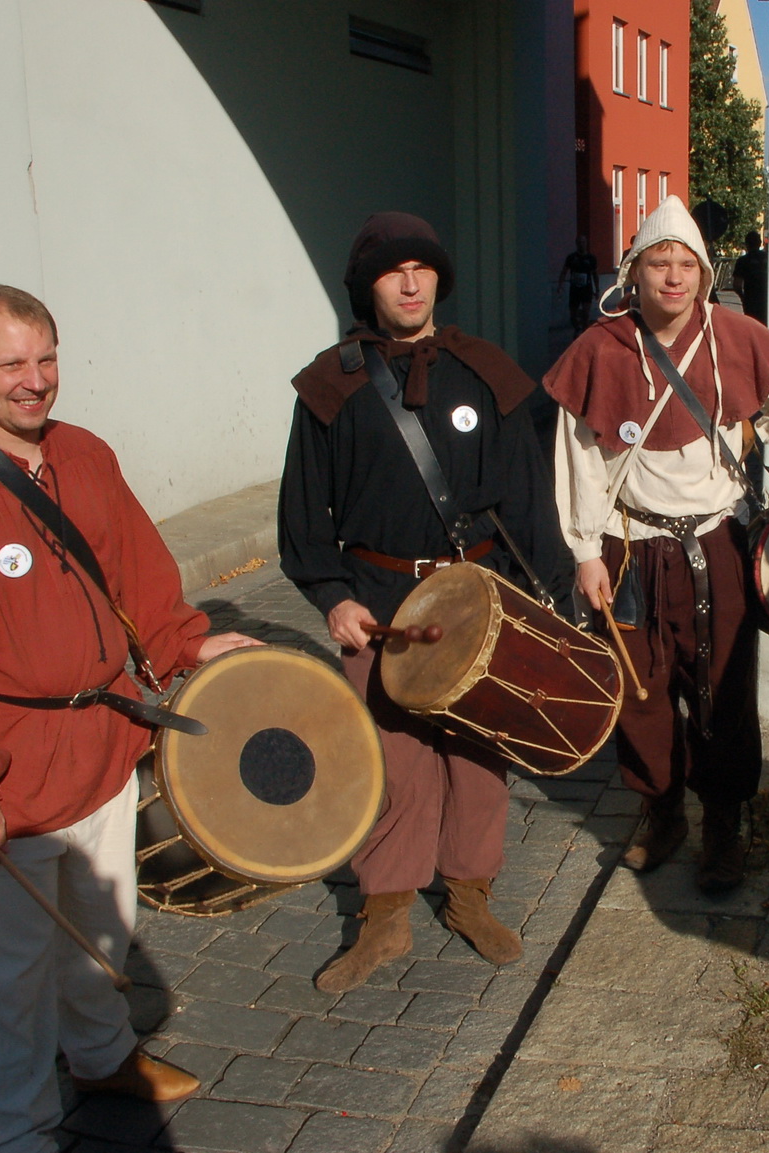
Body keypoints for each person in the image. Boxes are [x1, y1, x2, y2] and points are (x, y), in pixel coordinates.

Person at [0, 285, 263, 1153]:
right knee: (8, 978)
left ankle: (102, 1057)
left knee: (102, 934)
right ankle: (16, 1132)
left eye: (46, 358)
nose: (35, 379)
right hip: (0, 772)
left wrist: (186, 643)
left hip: (101, 747)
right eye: (11, 362)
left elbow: (136, 575)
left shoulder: (83, 454)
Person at [281, 212, 571, 993]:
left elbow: (528, 497)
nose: (410, 283)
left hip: (477, 599)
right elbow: (303, 509)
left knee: (477, 756)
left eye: (423, 267)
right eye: (391, 271)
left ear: (440, 278)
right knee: (391, 761)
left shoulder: (486, 370)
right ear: (366, 287)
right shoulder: (330, 385)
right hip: (379, 603)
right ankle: (385, 914)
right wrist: (331, 597)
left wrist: (545, 597)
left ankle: (469, 894)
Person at [545, 195, 769, 893]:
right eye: (659, 263)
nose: (673, 276)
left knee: (723, 688)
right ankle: (663, 812)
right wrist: (585, 550)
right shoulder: (601, 348)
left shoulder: (737, 337)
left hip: (718, 542)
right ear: (635, 273)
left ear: (704, 274)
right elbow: (579, 456)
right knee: (640, 690)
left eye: (685, 263)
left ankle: (724, 823)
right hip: (630, 544)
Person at [559, 234, 600, 335]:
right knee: (573, 315)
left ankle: (584, 332)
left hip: (586, 289)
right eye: (579, 242)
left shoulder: (591, 258)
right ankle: (577, 328)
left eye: (583, 242)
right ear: (576, 244)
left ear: (586, 243)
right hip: (574, 289)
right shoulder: (571, 257)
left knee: (586, 313)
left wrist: (597, 289)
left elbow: (595, 275)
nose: (581, 244)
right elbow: (564, 271)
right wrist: (560, 285)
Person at [731, 230, 769, 324]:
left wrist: (743, 297)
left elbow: (737, 285)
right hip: (767, 300)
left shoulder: (742, 261)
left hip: (751, 301)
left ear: (746, 244)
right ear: (760, 243)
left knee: (752, 327)